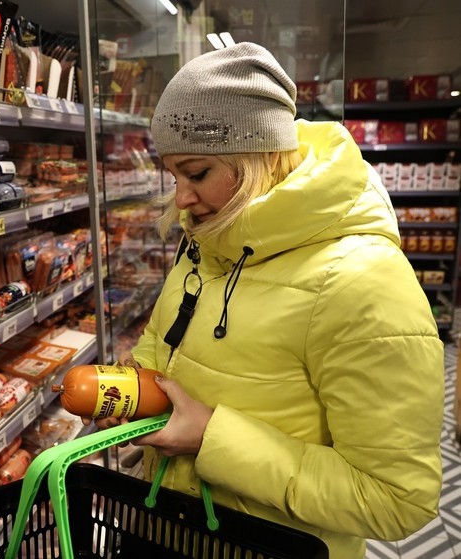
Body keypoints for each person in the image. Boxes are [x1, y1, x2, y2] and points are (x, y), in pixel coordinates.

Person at [89, 42, 444, 558]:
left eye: (197, 172)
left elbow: (397, 500)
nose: (182, 199)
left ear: (259, 153)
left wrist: (212, 438)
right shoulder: (212, 238)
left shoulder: (363, 283)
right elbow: (170, 339)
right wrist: (139, 383)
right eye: (174, 177)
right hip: (166, 525)